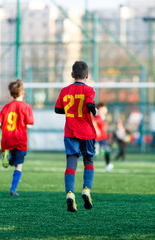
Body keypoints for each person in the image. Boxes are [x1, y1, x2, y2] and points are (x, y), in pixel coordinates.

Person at [55, 61, 98, 212]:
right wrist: (94, 110)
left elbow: (57, 109)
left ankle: (70, 193)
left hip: (70, 131)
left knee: (71, 161)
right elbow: (89, 104)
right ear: (87, 75)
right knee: (88, 160)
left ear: (72, 75)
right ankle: (86, 189)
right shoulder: (89, 90)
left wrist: (71, 110)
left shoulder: (64, 90)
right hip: (86, 131)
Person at [0, 79, 34, 196]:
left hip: (7, 138)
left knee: (12, 159)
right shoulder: (26, 107)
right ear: (22, 93)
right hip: (20, 139)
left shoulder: (6, 107)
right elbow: (29, 125)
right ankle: (13, 189)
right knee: (19, 165)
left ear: (10, 94)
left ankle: (7, 156)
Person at [93, 102, 113, 171]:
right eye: (104, 108)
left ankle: (108, 165)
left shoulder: (102, 117)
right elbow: (93, 122)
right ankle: (97, 148)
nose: (106, 109)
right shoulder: (97, 116)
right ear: (100, 109)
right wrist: (97, 130)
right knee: (104, 151)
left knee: (107, 151)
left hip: (103, 138)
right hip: (98, 138)